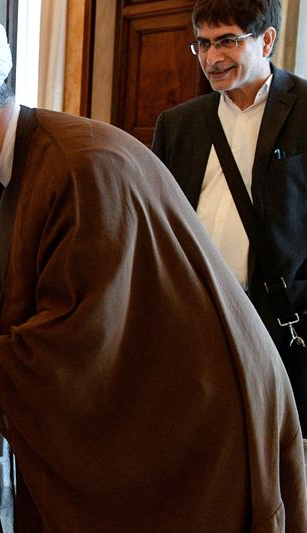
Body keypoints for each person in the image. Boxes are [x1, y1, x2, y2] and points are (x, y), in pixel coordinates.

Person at [0, 11, 306, 532]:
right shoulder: (31, 162)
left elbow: (80, 341)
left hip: (201, 429)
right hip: (167, 416)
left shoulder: (79, 169)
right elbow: (17, 308)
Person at [152, 0, 307, 428]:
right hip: (191, 315)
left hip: (276, 319)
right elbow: (158, 220)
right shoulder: (177, 123)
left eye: (227, 42)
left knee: (267, 443)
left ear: (267, 40)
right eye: (202, 44)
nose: (211, 58)